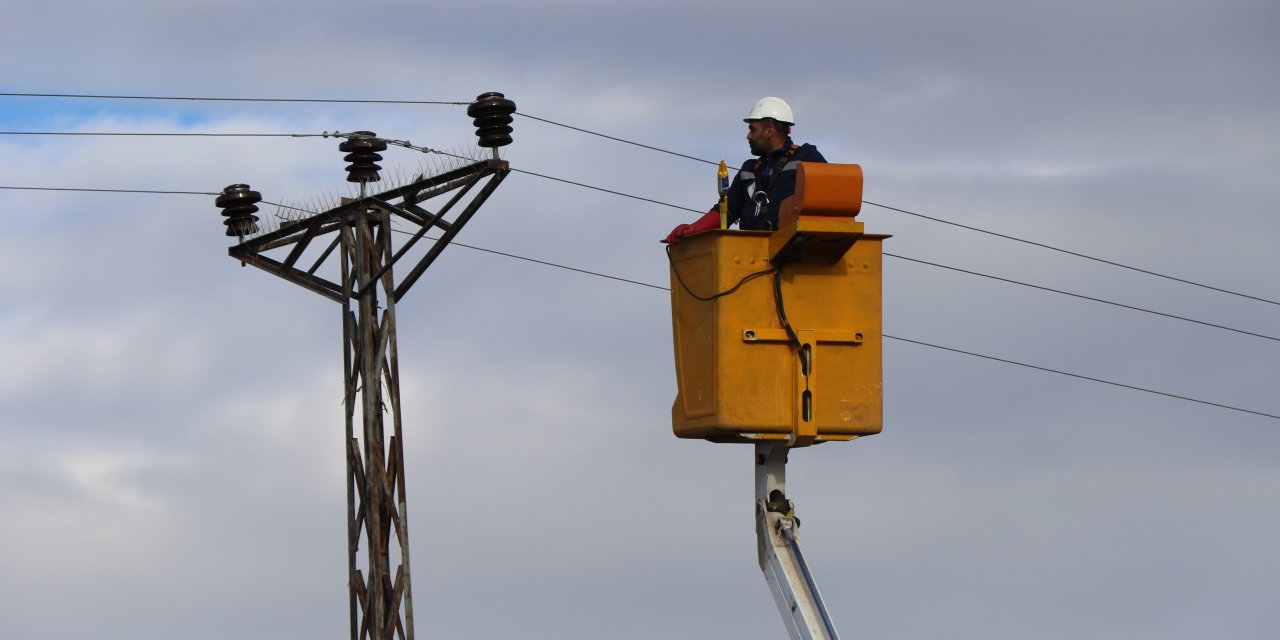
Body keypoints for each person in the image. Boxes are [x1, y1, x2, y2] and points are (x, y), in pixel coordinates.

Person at [664, 97, 826, 244]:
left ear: (769, 131)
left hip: (794, 252)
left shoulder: (806, 156)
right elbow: (726, 211)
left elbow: (831, 198)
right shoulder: (749, 170)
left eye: (753, 129)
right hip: (753, 256)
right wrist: (692, 229)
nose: (748, 136)